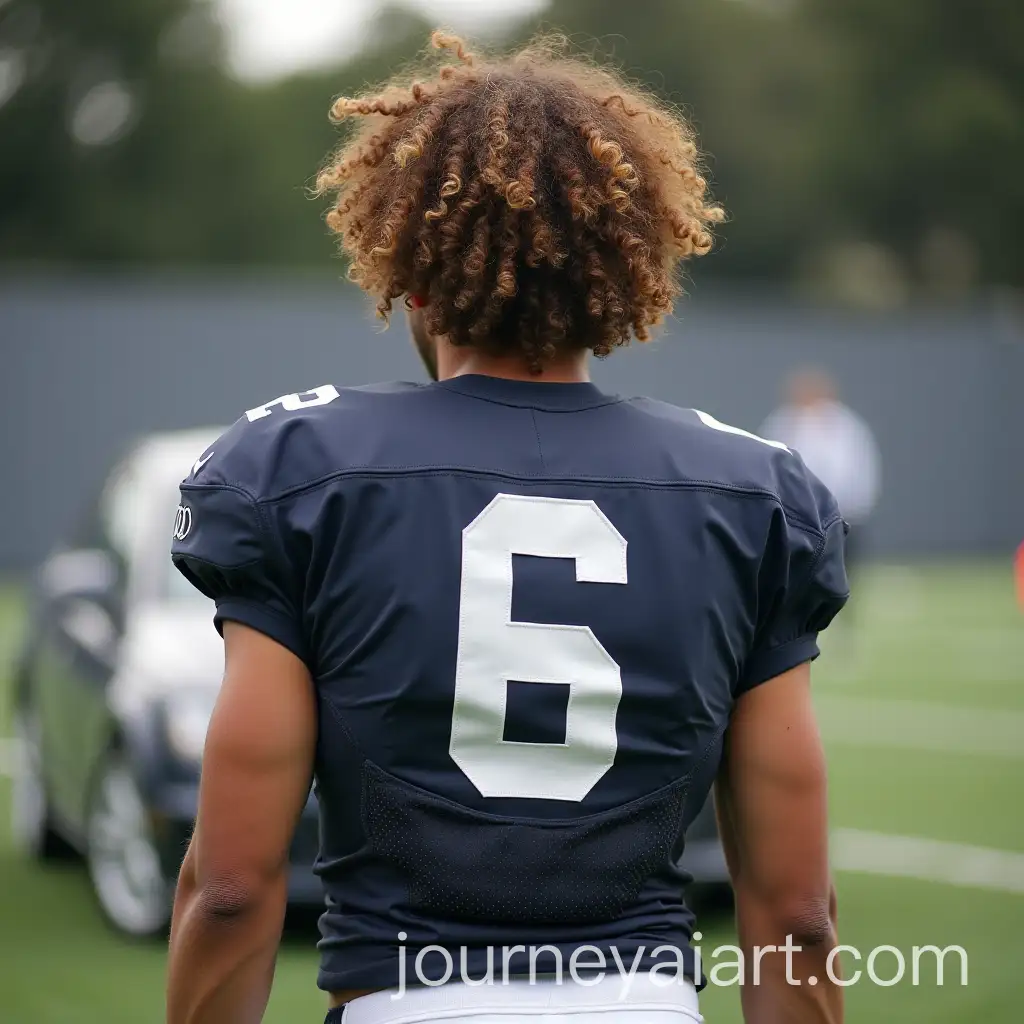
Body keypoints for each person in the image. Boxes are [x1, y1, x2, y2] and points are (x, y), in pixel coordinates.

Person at [166, 32, 849, 1024]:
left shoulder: (300, 470)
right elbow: (798, 915)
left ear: (410, 265)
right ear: (621, 269)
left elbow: (230, 887)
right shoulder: (751, 493)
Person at [760, 369, 880, 578]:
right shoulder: (783, 423)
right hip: (797, 513)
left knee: (842, 570)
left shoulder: (846, 426)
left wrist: (858, 506)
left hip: (842, 513)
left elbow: (858, 467)